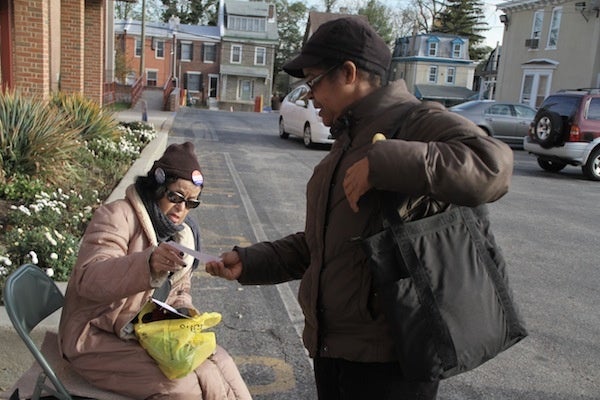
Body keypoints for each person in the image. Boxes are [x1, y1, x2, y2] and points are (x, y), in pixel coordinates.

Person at [206, 17, 513, 400]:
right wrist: (250, 261)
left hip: (389, 364)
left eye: (314, 81)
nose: (310, 97)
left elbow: (493, 165)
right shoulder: (346, 141)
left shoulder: (414, 120)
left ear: (349, 73)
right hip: (334, 353)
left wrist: (382, 163)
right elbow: (322, 246)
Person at [59, 142, 252, 400]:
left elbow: (180, 288)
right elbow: (88, 279)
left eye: (191, 203)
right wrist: (147, 264)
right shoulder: (116, 216)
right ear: (157, 187)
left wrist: (182, 312)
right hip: (94, 337)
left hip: (146, 333)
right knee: (184, 386)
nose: (181, 209)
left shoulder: (183, 234)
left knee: (221, 361)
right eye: (175, 197)